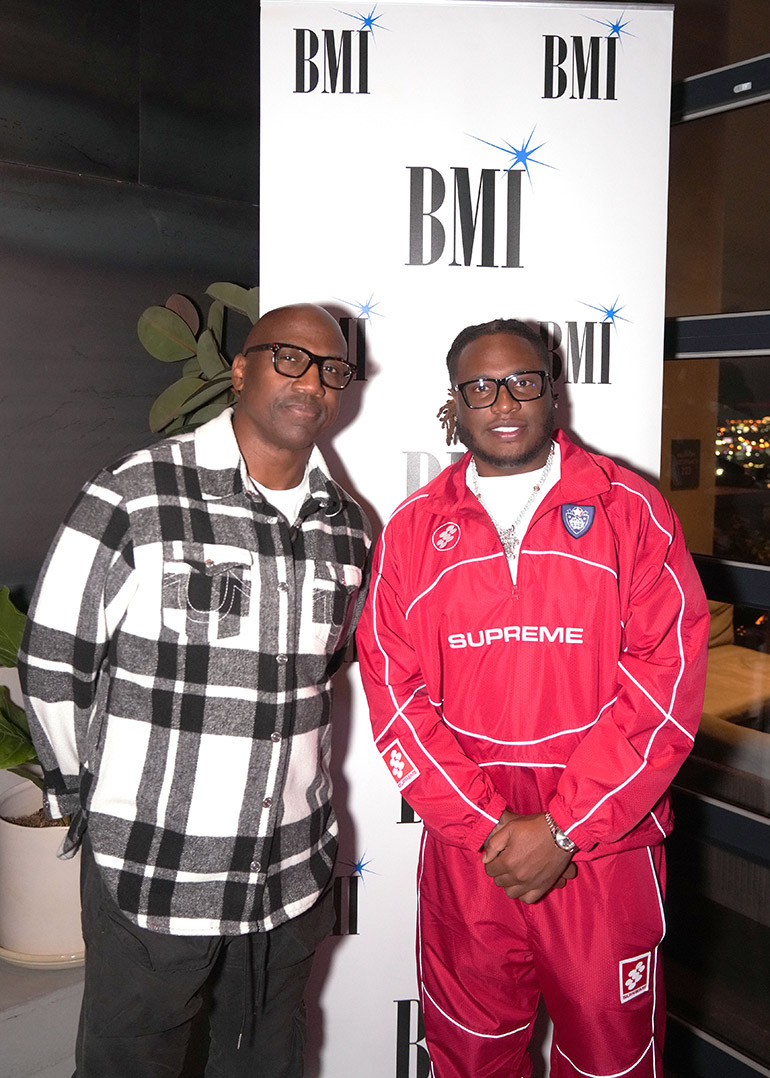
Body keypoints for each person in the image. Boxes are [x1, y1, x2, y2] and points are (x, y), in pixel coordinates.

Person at [19, 303, 371, 1078]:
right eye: (289, 358)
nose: (312, 382)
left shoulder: (348, 526)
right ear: (240, 370)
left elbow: (323, 675)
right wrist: (89, 795)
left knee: (264, 1062)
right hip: (157, 867)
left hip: (288, 877)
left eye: (333, 370)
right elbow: (52, 662)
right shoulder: (137, 492)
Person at [356, 318, 709, 1078]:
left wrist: (564, 829)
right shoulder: (412, 530)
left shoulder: (631, 511)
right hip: (471, 855)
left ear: (553, 392)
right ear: (454, 404)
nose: (503, 401)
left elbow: (667, 686)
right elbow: (393, 693)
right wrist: (490, 828)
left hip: (603, 851)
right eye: (480, 387)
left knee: (611, 1064)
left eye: (522, 381)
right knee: (471, 1061)